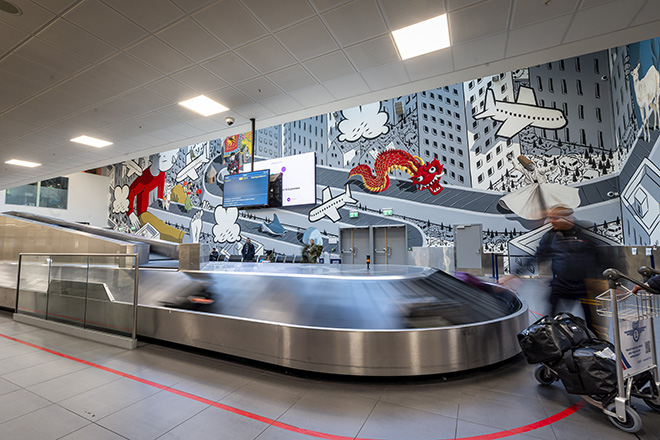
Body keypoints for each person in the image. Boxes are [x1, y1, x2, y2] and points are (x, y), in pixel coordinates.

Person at [536, 205, 601, 333]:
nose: (551, 221)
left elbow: (602, 257)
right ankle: (550, 345)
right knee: (550, 320)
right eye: (550, 218)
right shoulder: (550, 237)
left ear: (566, 218)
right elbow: (537, 256)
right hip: (561, 284)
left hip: (584, 286)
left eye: (554, 218)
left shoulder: (584, 233)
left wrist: (618, 283)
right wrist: (514, 275)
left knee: (592, 324)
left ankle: (599, 347)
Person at [499, 153, 579, 220]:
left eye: (532, 165)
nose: (531, 167)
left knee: (547, 197)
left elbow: (545, 169)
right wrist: (512, 159)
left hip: (542, 185)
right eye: (529, 166)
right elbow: (517, 167)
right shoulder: (526, 172)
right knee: (531, 200)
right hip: (533, 187)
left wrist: (551, 168)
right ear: (526, 167)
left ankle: (553, 211)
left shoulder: (538, 170)